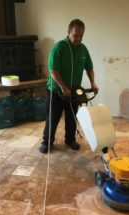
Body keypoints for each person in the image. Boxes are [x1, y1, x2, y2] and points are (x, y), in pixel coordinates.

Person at [40, 18, 98, 154]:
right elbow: (53, 70)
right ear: (68, 33)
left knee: (72, 117)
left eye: (80, 36)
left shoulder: (83, 50)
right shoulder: (59, 47)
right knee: (52, 118)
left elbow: (89, 67)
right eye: (75, 35)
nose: (78, 38)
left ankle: (70, 140)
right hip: (55, 90)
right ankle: (47, 142)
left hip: (73, 91)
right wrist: (63, 87)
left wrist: (93, 83)